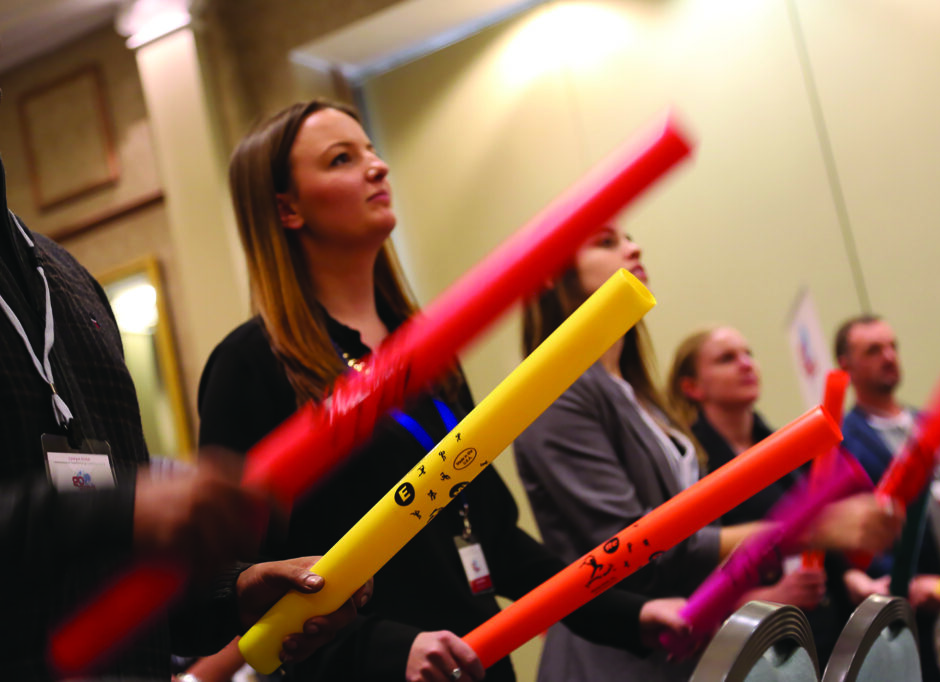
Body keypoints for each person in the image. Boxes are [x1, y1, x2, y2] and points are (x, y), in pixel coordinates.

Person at [197, 100, 689, 682]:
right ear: (287, 208)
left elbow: (495, 537)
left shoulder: (428, 352)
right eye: (341, 159)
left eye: (372, 152)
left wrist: (630, 615)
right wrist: (384, 650)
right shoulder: (250, 364)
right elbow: (233, 581)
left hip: (476, 664)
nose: (377, 168)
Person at [0, 150, 362, 680]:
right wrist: (117, 510)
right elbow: (111, 515)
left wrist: (233, 593)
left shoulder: (66, 278)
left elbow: (116, 578)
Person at [513, 226, 901, 681]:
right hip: (617, 660)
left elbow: (692, 533)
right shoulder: (556, 390)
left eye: (632, 238)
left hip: (688, 652)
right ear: (550, 276)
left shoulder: (640, 397)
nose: (634, 247)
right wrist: (806, 529)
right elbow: (630, 548)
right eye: (606, 241)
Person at [667, 325, 898, 662]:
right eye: (727, 359)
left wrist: (850, 576)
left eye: (749, 354)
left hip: (823, 630)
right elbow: (689, 559)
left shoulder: (782, 446)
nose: (746, 364)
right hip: (752, 646)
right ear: (692, 387)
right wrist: (764, 596)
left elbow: (818, 529)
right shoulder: (688, 461)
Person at [834, 314, 940, 680]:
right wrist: (904, 580)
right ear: (846, 365)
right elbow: (854, 537)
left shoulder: (930, 423)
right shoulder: (845, 443)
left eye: (892, 346)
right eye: (874, 350)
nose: (889, 356)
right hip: (924, 611)